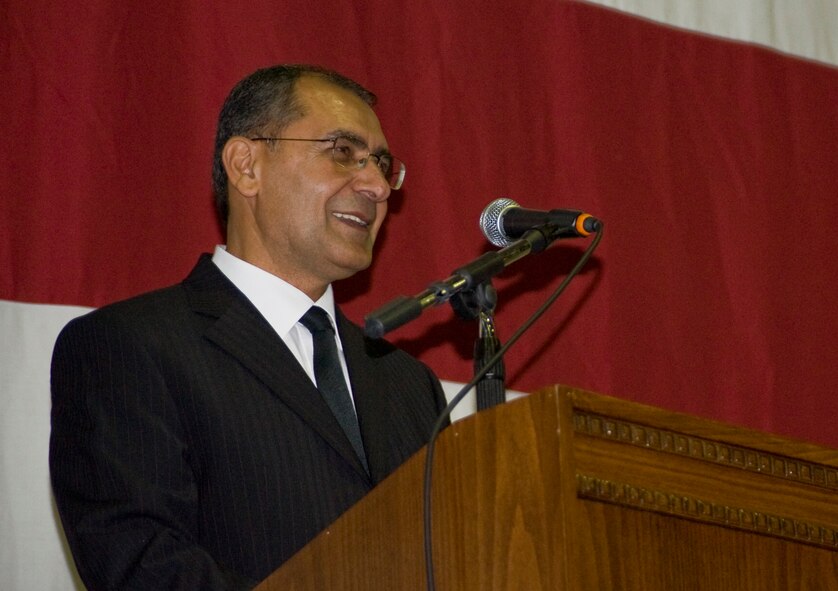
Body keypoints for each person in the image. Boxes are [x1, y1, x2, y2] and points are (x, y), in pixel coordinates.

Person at [49, 64, 448, 590]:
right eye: (342, 152)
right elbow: (143, 565)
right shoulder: (129, 347)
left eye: (381, 163)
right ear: (246, 165)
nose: (376, 185)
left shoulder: (409, 385)